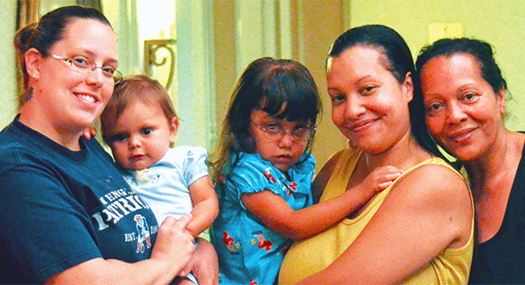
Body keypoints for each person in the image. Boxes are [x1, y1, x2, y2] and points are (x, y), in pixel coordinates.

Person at [0, 6, 217, 284]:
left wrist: (200, 249)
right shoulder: (17, 168)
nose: (96, 79)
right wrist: (168, 261)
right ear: (35, 64)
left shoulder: (89, 148)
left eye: (108, 69)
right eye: (80, 61)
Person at [278, 25, 474, 284]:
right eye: (338, 98)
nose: (352, 110)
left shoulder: (435, 184)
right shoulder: (338, 166)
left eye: (367, 89)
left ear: (407, 87)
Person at [209, 57, 403, 284]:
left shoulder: (298, 166)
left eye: (299, 129)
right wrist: (363, 190)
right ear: (243, 124)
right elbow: (293, 223)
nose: (287, 141)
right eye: (273, 127)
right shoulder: (246, 174)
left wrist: (360, 145)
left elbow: (318, 202)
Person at [416, 38, 525, 284]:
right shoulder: (441, 184)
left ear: (500, 97)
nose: (454, 116)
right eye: (435, 106)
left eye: (468, 96)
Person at [100, 74, 219, 283]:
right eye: (121, 136)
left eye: (146, 131)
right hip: (136, 265)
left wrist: (185, 233)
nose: (134, 142)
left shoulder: (184, 160)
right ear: (107, 140)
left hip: (182, 253)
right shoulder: (112, 173)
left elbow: (208, 202)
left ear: (172, 129)